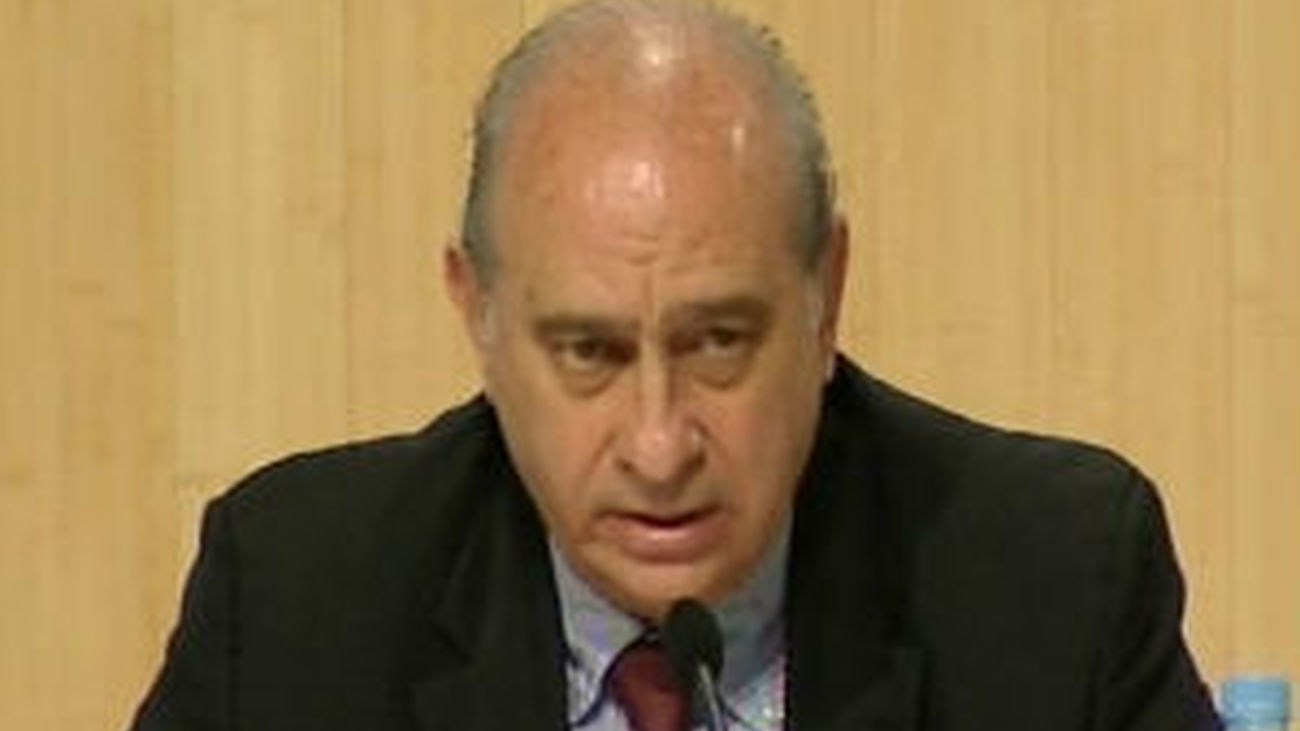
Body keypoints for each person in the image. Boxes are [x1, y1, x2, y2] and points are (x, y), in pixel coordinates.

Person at [131, 1, 1221, 729]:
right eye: (589, 352)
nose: (659, 446)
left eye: (718, 342)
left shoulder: (1053, 585)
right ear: (478, 313)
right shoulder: (295, 605)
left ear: (826, 297)